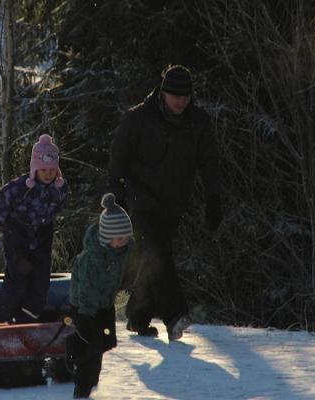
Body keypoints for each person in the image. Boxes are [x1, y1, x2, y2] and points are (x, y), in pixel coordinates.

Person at [108, 64, 222, 341]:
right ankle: (175, 316)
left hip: (174, 201)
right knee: (158, 251)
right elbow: (118, 156)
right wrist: (116, 195)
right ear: (163, 93)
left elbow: (210, 162)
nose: (181, 101)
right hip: (141, 198)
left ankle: (137, 316)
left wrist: (213, 198)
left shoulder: (199, 122)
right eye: (176, 96)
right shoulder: (138, 119)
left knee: (152, 257)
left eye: (186, 96)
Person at [0, 134, 68, 324]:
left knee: (40, 281)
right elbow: (1, 203)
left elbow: (60, 205)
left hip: (42, 235)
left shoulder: (60, 188)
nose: (48, 174)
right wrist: (5, 226)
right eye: (43, 170)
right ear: (35, 169)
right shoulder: (20, 188)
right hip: (18, 234)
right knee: (17, 278)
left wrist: (46, 222)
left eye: (52, 170)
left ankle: (27, 318)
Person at [66, 193, 134, 399]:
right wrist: (85, 316)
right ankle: (81, 385)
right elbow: (86, 289)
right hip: (85, 307)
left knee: (107, 341)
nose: (124, 241)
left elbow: (123, 275)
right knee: (91, 343)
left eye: (126, 237)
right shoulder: (92, 259)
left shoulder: (121, 251)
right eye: (119, 238)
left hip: (104, 304)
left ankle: (89, 378)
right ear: (107, 237)